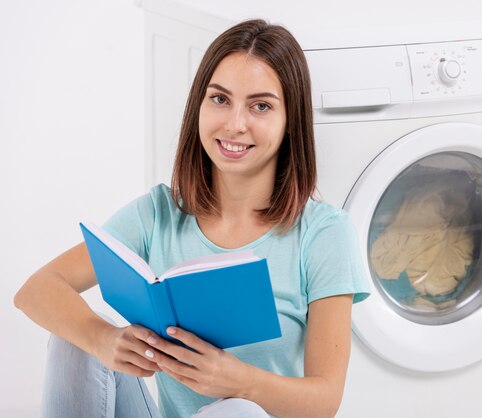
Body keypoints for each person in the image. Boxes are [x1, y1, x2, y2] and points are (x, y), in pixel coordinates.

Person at [14, 19, 370, 418]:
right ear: (199, 106)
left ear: (290, 122)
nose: (235, 124)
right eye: (220, 99)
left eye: (261, 106)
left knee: (239, 412)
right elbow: (36, 290)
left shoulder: (323, 233)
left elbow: (324, 401)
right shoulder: (158, 214)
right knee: (73, 341)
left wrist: (240, 382)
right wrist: (103, 340)